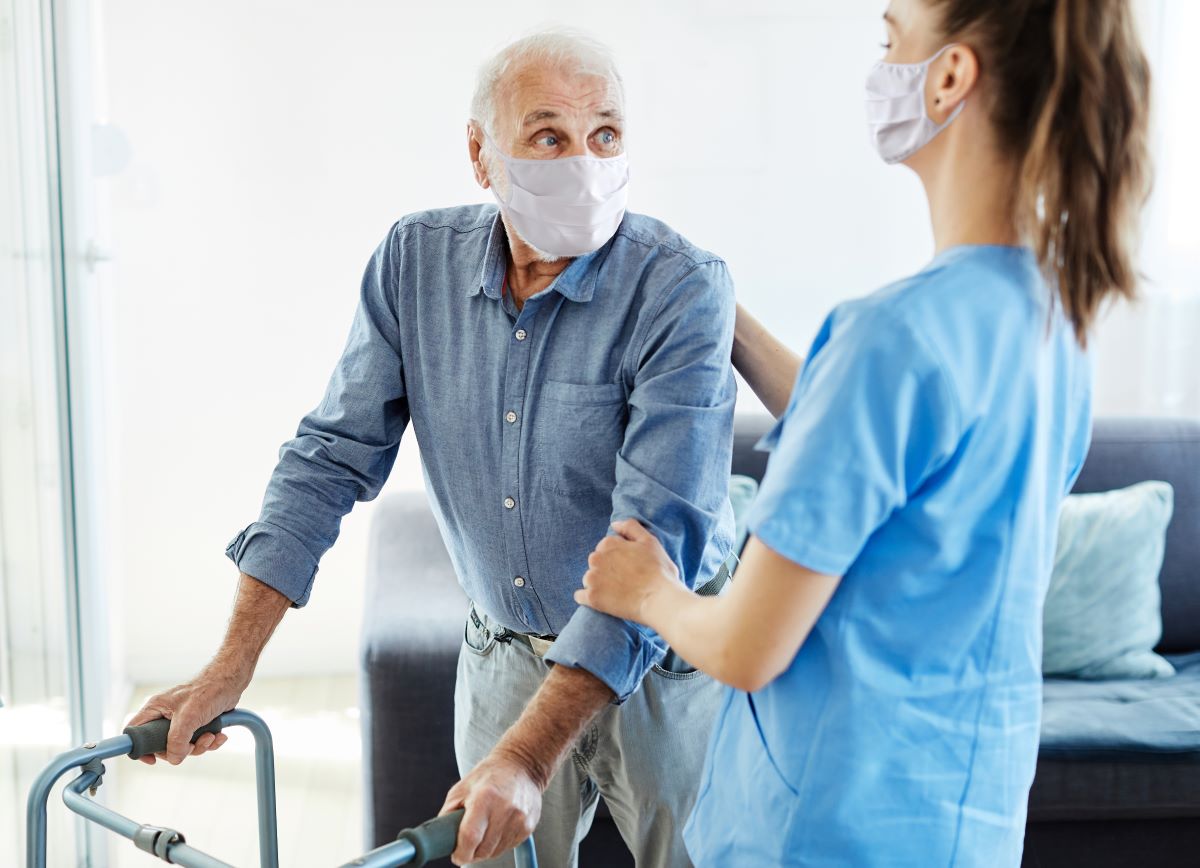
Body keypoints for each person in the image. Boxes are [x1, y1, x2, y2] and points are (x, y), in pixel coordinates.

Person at [128, 29, 738, 868]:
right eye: (549, 136)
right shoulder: (414, 262)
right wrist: (230, 665)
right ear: (481, 155)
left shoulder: (681, 287)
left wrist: (526, 758)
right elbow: (327, 459)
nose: (586, 163)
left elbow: (656, 541)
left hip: (666, 669)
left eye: (606, 134)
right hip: (506, 654)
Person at [577, 0, 1151, 864]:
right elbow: (899, 452)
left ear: (951, 76)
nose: (879, 67)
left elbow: (744, 648)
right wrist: (722, 314)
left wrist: (646, 589)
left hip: (827, 837)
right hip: (961, 829)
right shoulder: (1049, 325)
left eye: (891, 42)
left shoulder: (889, 338)